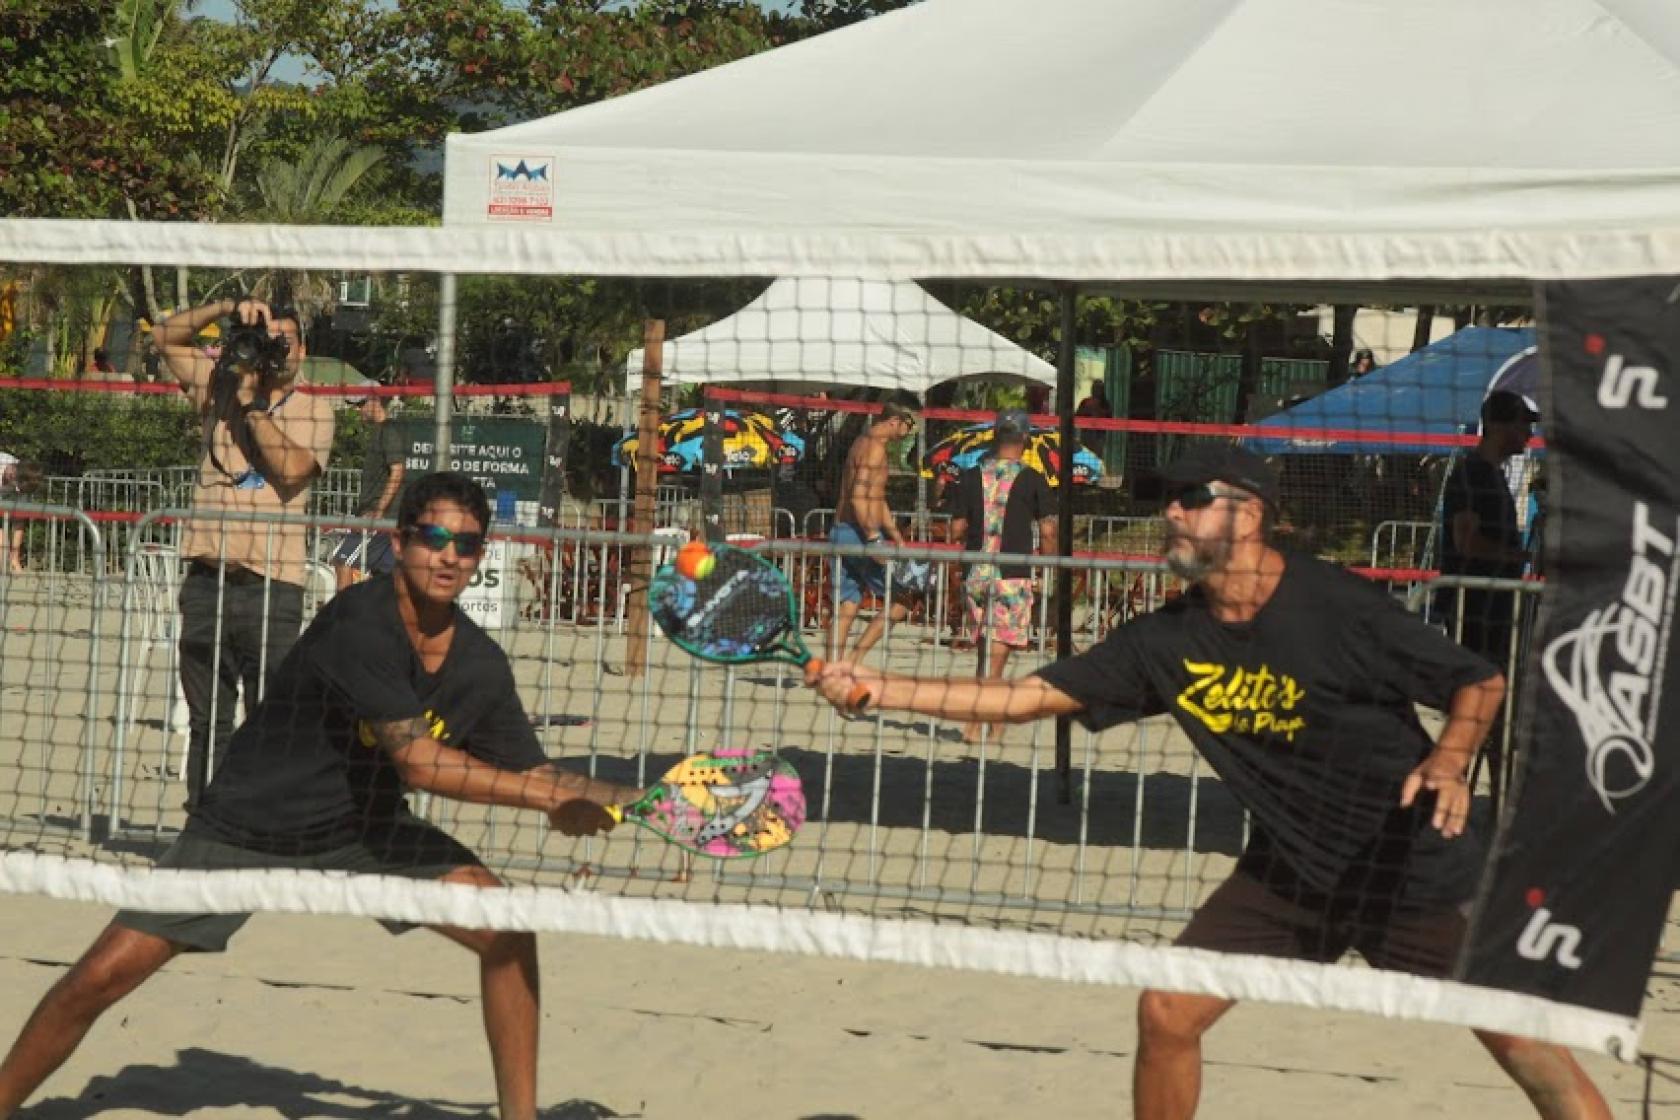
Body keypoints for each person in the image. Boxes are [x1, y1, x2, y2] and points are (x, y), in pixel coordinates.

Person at [811, 444, 1610, 1120]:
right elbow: (1025, 697)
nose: (1172, 514)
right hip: (1292, 870)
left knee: (1519, 1040)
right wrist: (882, 685)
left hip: (1402, 865)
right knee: (1167, 1011)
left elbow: (1479, 681)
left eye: (1193, 499)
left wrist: (1448, 760)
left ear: (1250, 513)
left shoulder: (1336, 606)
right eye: (1168, 501)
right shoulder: (1168, 640)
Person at [0, 472, 638, 1120]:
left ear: (482, 556)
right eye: (435, 537)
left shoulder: (480, 664)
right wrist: (545, 800)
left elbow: (541, 774)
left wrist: (627, 798)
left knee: (506, 929)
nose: (449, 555)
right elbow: (421, 764)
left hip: (365, 832)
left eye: (467, 544)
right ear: (400, 540)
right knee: (100, 979)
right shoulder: (358, 622)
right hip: (248, 827)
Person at [157, 297, 337, 806]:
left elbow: (293, 470)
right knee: (206, 722)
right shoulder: (218, 390)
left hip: (270, 587)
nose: (275, 351)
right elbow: (165, 337)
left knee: (270, 724)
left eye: (285, 341)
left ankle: (261, 834)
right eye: (267, 339)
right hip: (206, 581)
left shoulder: (314, 409)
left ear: (303, 349)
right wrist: (228, 310)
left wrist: (255, 406)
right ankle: (204, 831)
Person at [948, 410, 1055, 742]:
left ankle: (993, 722)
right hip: (1012, 572)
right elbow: (1049, 530)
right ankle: (978, 718)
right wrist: (1051, 565)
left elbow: (956, 528)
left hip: (976, 572)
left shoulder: (970, 475)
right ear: (1025, 439)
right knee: (1001, 646)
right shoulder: (1034, 479)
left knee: (986, 644)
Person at [1436, 389, 1536, 661]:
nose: (1529, 433)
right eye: (1523, 424)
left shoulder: (1492, 474)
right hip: (1475, 608)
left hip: (1493, 607)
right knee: (1481, 685)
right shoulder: (1473, 473)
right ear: (1497, 425)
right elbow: (1466, 542)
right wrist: (1522, 556)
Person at [827, 401, 918, 662]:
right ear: (894, 421)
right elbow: (858, 498)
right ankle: (853, 662)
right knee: (903, 599)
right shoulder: (875, 449)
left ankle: (833, 669)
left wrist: (896, 536)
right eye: (908, 426)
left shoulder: (860, 442)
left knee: (848, 604)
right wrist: (874, 538)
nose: (908, 432)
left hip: (840, 529)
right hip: (858, 533)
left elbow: (877, 498)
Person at [331, 378, 408, 590]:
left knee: (342, 560)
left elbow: (397, 470)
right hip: (383, 517)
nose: (357, 410)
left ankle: (345, 619)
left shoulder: (389, 431)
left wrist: (379, 510)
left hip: (379, 517)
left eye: (359, 404)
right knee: (384, 580)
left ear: (374, 400)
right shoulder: (379, 432)